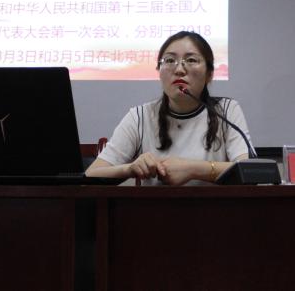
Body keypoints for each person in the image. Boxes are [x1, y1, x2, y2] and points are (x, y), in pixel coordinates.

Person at [85, 31, 251, 185]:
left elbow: (248, 170)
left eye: (191, 60)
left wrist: (193, 169)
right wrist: (130, 168)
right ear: (159, 71)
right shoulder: (140, 116)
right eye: (170, 60)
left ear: (209, 74)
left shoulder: (226, 111)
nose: (179, 70)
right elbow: (91, 174)